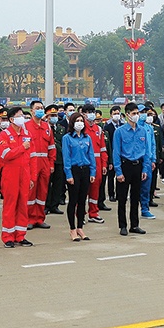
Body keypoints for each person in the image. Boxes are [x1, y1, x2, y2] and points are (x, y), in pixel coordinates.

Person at [0, 106, 34, 247]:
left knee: (23, 204)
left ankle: (20, 235)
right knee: (10, 205)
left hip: (24, 173)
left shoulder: (26, 134)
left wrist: (31, 177)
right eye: (19, 115)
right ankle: (8, 237)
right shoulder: (4, 135)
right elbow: (6, 155)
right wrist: (22, 147)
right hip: (10, 174)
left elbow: (31, 157)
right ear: (12, 119)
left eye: (23, 115)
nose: (22, 118)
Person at [112, 102, 152, 235]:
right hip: (125, 165)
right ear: (127, 115)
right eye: (134, 113)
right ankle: (122, 225)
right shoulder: (120, 132)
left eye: (137, 113)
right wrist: (118, 171)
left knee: (136, 197)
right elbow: (116, 152)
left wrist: (145, 169)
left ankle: (134, 225)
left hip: (138, 166)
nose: (136, 116)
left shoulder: (142, 131)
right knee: (122, 198)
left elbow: (146, 151)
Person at [62, 111, 97, 241]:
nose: (80, 123)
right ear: (72, 123)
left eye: (82, 121)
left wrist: (93, 172)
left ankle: (80, 227)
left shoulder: (87, 138)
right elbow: (67, 158)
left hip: (85, 170)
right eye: (77, 121)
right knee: (73, 200)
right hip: (74, 170)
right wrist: (69, 175)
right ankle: (72, 229)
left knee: (83, 201)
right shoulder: (67, 138)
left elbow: (91, 155)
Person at [25, 100, 56, 230]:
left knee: (43, 191)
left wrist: (51, 163)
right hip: (32, 162)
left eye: (41, 108)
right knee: (31, 192)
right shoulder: (26, 127)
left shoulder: (47, 127)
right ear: (32, 110)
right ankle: (29, 218)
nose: (40, 110)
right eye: (37, 108)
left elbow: (52, 146)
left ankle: (40, 218)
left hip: (44, 163)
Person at [82, 105, 108, 224]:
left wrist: (104, 164)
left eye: (92, 111)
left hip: (97, 163)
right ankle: (81, 214)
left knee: (95, 189)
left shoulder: (98, 129)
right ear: (83, 114)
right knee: (82, 190)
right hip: (84, 163)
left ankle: (93, 213)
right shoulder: (81, 129)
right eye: (88, 112)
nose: (91, 114)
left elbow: (103, 149)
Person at [46, 102, 67, 215]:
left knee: (58, 184)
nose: (53, 118)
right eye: (51, 115)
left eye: (55, 115)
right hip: (47, 160)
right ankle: (46, 205)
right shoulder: (44, 128)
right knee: (47, 184)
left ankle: (54, 205)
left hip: (59, 159)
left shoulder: (61, 129)